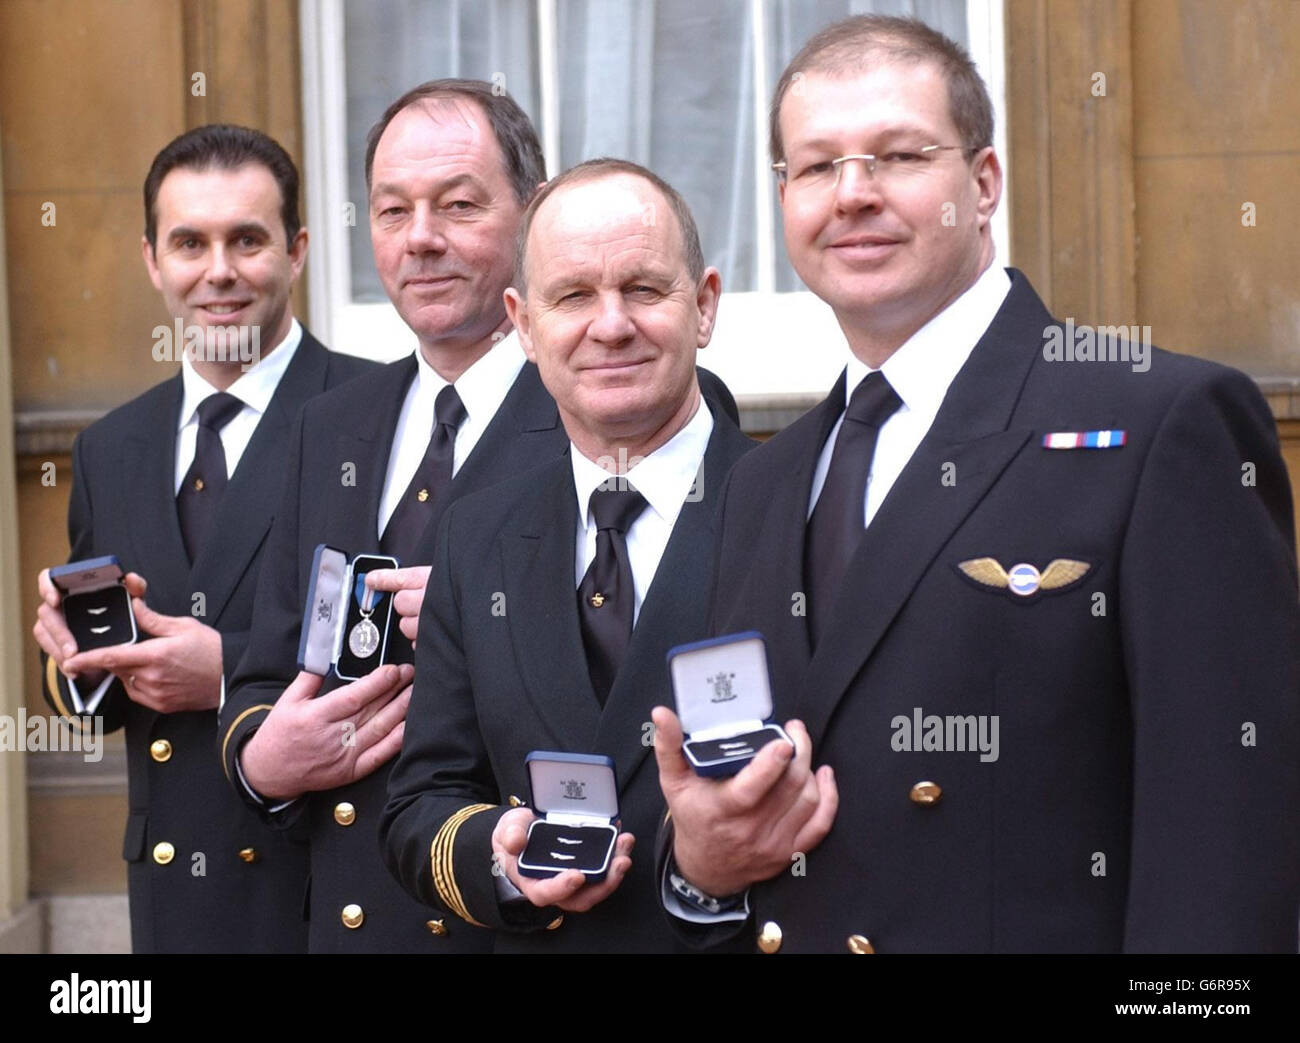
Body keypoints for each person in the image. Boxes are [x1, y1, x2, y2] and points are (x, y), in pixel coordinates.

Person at [652, 14, 1300, 954]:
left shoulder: (1162, 423)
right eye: (818, 167)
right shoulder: (762, 481)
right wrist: (699, 870)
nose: (854, 195)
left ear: (984, 183)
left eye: (900, 156)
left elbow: (1228, 835)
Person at [219, 83, 740, 952]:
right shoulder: (330, 424)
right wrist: (262, 760)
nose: (422, 237)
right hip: (367, 908)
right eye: (392, 209)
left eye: (458, 204)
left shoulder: (625, 402)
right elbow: (268, 667)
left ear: (532, 213)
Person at [381, 159, 754, 952]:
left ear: (706, 305)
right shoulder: (474, 534)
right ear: (522, 323)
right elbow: (423, 799)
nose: (610, 324)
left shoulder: (792, 505)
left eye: (645, 289)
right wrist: (502, 857)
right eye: (574, 295)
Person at [33, 124, 374, 953]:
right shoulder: (110, 446)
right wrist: (72, 665)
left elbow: (405, 656)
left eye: (246, 240)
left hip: (319, 888)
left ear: (295, 251)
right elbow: (99, 696)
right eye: (190, 242)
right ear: (153, 259)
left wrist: (224, 672)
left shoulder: (373, 416)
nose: (217, 271)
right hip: (172, 898)